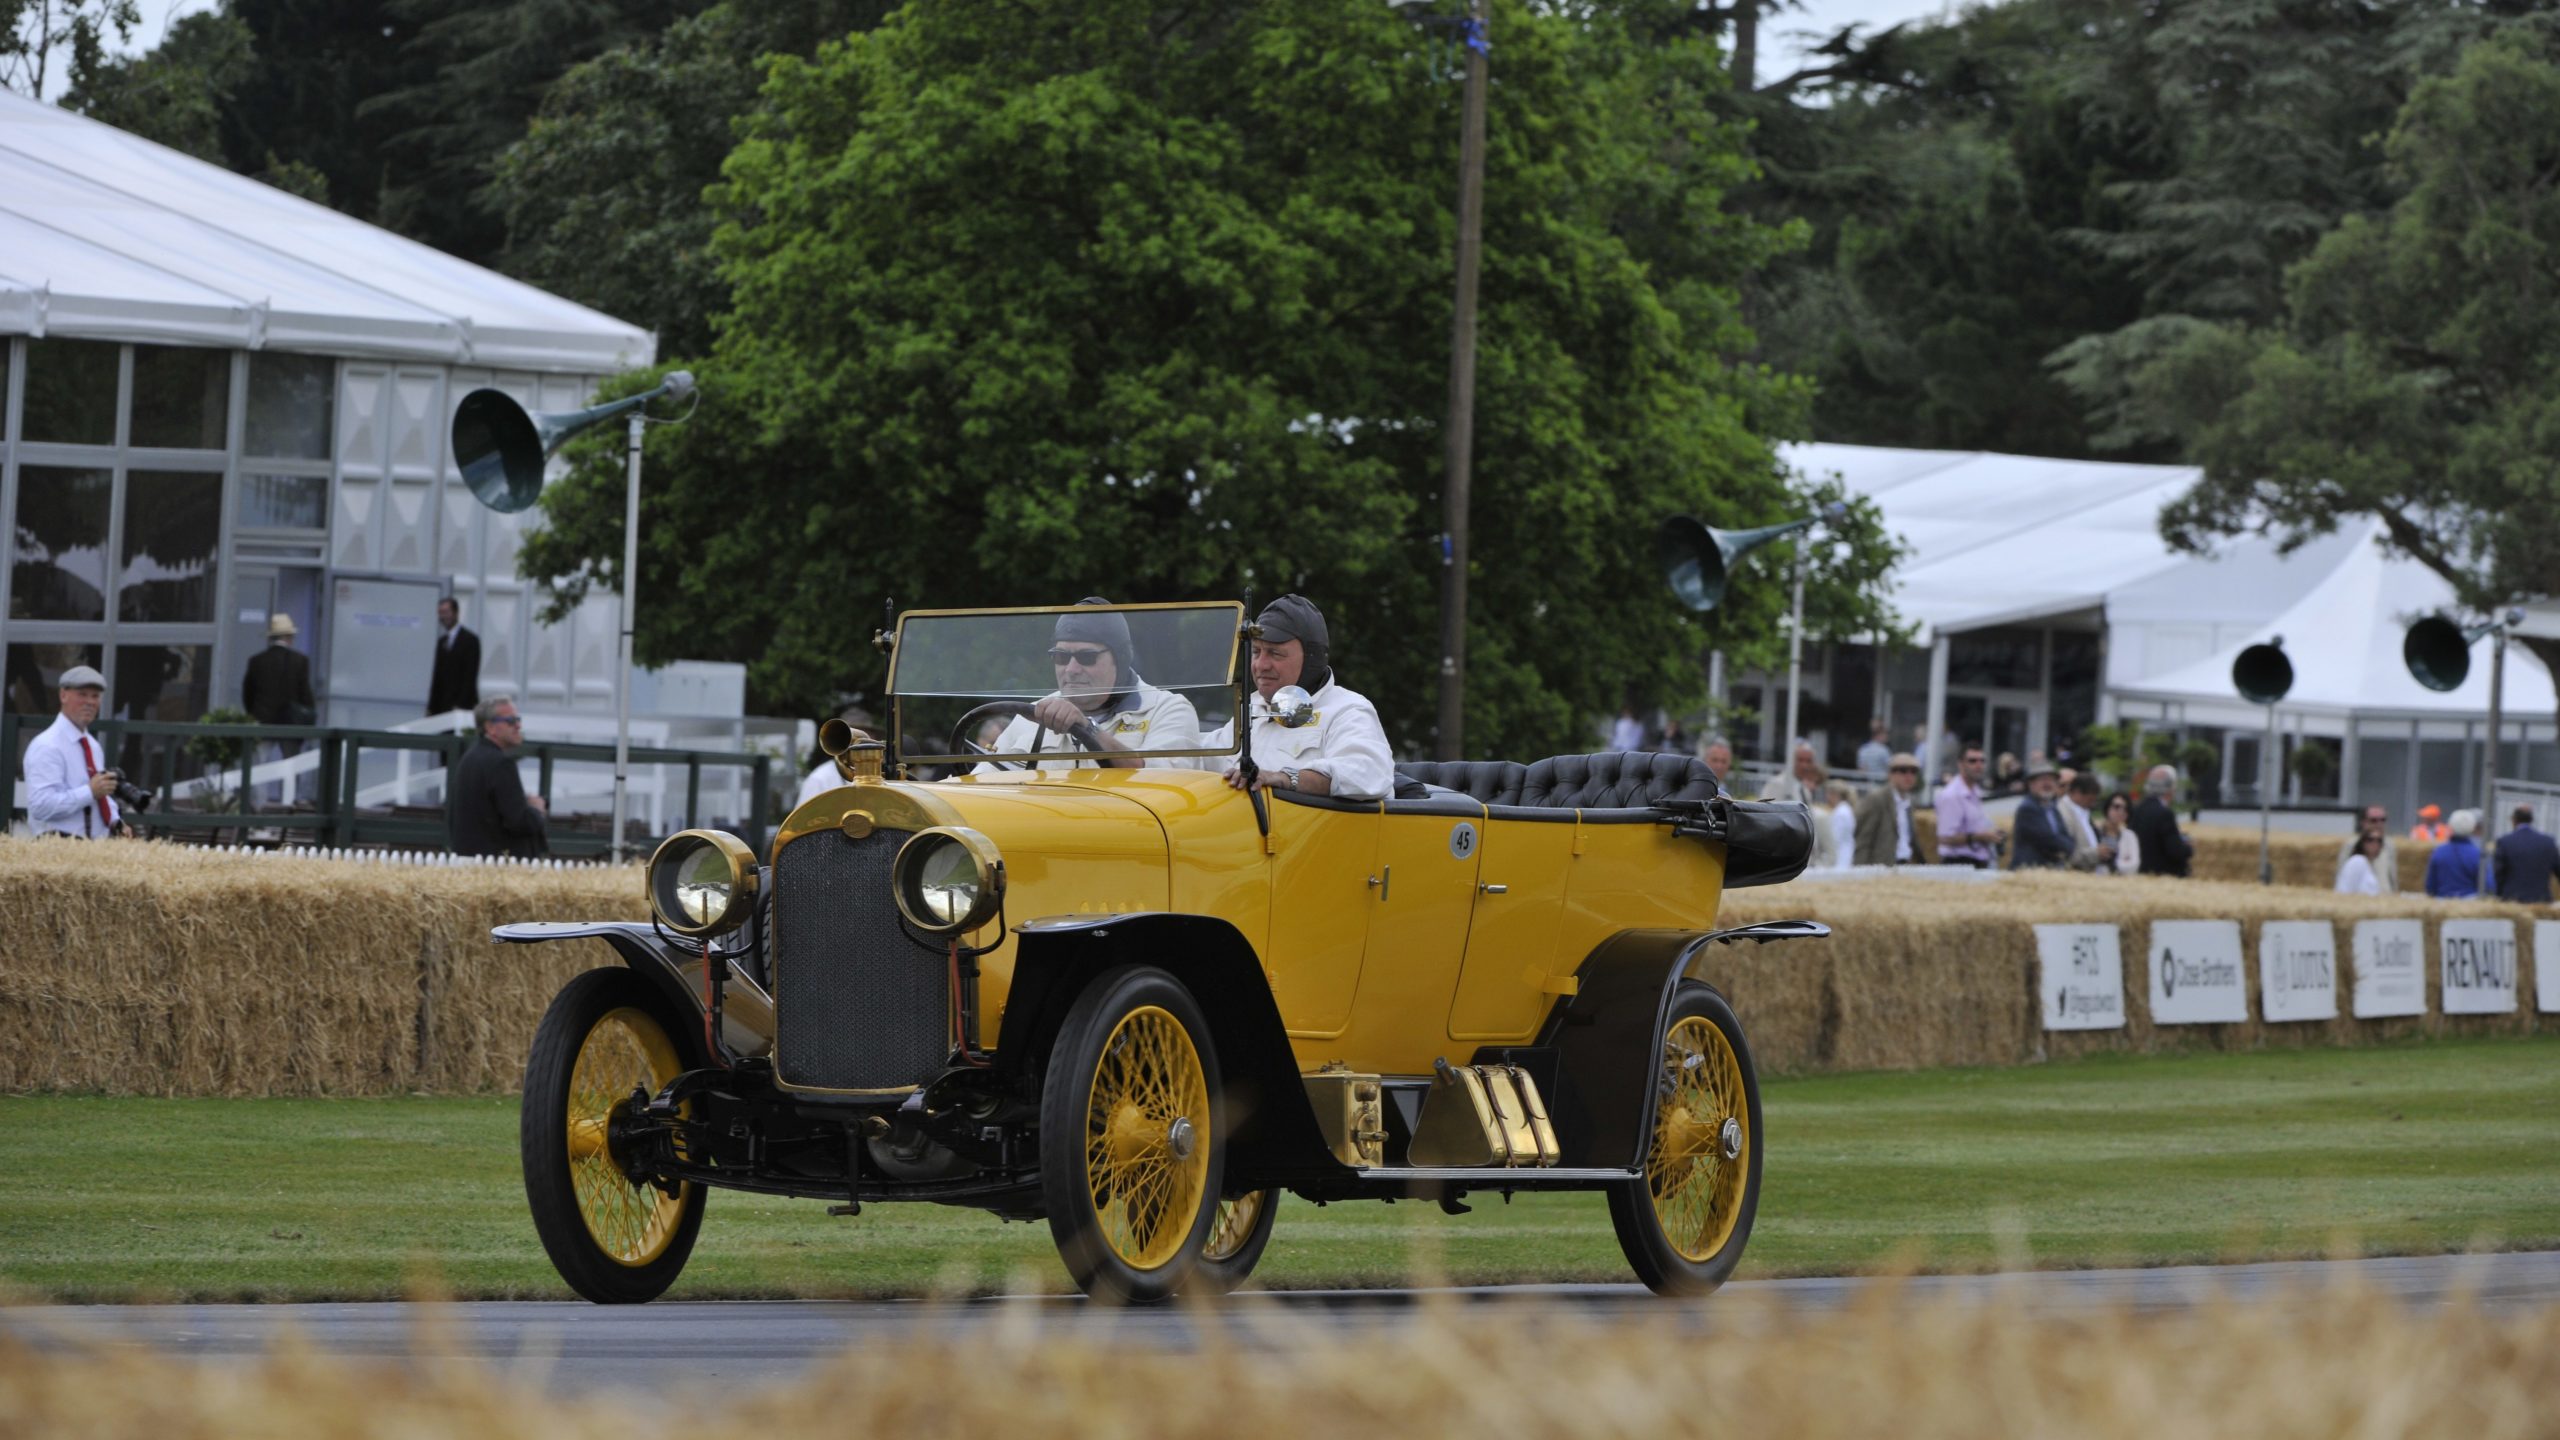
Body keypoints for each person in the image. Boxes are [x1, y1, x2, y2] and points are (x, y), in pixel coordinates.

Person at [1207, 595, 1394, 801]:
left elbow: (1368, 773)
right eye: (1256, 652)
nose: (1261, 665)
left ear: (1311, 658)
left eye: (1275, 653)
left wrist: (1284, 778)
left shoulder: (1348, 710)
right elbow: (1198, 758)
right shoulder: (1252, 709)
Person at [982, 599, 1201, 772]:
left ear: (1121, 659)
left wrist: (1088, 729)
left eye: (1086, 657)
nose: (1071, 669)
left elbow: (1164, 788)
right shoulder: (1031, 716)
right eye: (1061, 657)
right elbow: (978, 786)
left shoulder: (1169, 710)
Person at [22, 665, 129, 839]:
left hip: (90, 850)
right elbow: (41, 806)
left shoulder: (93, 745)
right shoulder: (47, 745)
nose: (90, 702)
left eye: (95, 696)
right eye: (82, 694)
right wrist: (89, 792)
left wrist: (116, 821)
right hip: (57, 848)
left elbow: (98, 796)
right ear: (63, 695)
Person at [449, 694, 547, 857]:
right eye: (510, 721)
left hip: (469, 859)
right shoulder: (500, 763)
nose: (518, 726)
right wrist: (537, 809)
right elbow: (518, 822)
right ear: (490, 727)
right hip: (497, 864)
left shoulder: (471, 757)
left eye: (518, 719)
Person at [241, 612, 316, 805]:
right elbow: (305, 694)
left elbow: (248, 694)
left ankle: (257, 808)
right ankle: (287, 806)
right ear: (288, 638)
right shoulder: (300, 661)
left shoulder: (257, 661)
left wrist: (254, 714)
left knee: (258, 768)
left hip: (262, 719)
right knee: (291, 767)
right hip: (290, 722)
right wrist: (308, 719)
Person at [1853, 753, 1933, 866]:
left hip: (1906, 866)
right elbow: (1863, 840)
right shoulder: (1876, 799)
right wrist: (1860, 872)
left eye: (1913, 771)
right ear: (1890, 774)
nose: (1909, 776)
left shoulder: (1908, 802)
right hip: (1881, 868)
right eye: (1903, 770)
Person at [1935, 746, 2000, 868]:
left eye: (1982, 761)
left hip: (1977, 861)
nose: (1978, 765)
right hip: (1957, 864)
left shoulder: (1976, 792)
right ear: (1960, 764)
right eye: (1972, 761)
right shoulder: (1952, 795)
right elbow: (1945, 838)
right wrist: (1980, 837)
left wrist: (1990, 835)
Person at [2129, 765, 2192, 877]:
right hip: (2162, 875)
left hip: (2140, 873)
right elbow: (2175, 850)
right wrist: (2188, 848)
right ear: (2171, 788)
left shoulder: (2138, 809)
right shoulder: (2164, 814)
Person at [2492, 804, 2560, 905]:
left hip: (2512, 901)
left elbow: (2499, 873)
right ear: (2531, 820)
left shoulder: (2505, 842)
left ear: (2514, 820)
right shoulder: (2548, 842)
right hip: (2541, 902)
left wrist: (2499, 895)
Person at [427, 596, 482, 717]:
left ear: (456, 613)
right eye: (440, 613)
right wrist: (431, 706)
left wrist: (460, 705)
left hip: (461, 706)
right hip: (441, 706)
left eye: (446, 612)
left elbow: (470, 675)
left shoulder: (470, 640)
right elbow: (437, 676)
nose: (443, 617)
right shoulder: (442, 641)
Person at [2009, 763, 2072, 869]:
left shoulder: (2053, 809)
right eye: (2042, 779)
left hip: (2046, 870)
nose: (2047, 784)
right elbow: (2048, 840)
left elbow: (2067, 838)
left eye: (2051, 780)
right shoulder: (2028, 809)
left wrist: (2067, 846)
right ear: (2031, 784)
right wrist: (2066, 846)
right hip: (2028, 870)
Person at [2333, 805, 2400, 894]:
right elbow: (2341, 877)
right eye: (2373, 820)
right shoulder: (2351, 845)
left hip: (2386, 898)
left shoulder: (2389, 846)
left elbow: (2392, 878)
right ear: (2363, 822)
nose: (2379, 824)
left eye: (2383, 820)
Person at [2058, 772, 2114, 873]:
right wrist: (2095, 854)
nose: (2093, 803)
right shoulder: (2064, 814)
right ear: (2077, 792)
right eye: (2090, 799)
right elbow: (2066, 852)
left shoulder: (2081, 811)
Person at [2423, 809, 2484, 898]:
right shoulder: (2478, 854)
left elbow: (2430, 886)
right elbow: (2488, 885)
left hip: (2442, 901)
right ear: (2473, 827)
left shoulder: (2438, 852)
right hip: (2470, 902)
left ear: (2450, 826)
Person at [1758, 741, 1823, 804]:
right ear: (1791, 760)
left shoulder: (1804, 789)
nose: (1804, 765)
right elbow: (1766, 812)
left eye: (1809, 761)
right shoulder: (1777, 784)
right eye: (1800, 760)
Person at [2100, 791, 2140, 876]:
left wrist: (2113, 865)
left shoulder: (2129, 836)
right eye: (2116, 807)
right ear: (2107, 808)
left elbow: (2134, 864)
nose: (2121, 812)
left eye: (2125, 809)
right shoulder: (2097, 832)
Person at [1822, 778, 1858, 872]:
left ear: (1835, 795)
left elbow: (1834, 837)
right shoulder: (1844, 809)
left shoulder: (1841, 813)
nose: (1827, 797)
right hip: (1844, 853)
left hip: (1840, 857)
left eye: (1828, 794)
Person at [2335, 829, 2387, 895]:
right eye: (2370, 840)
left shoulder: (2371, 865)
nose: (2375, 844)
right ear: (2362, 843)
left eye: (2379, 841)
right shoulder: (2357, 861)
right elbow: (2343, 891)